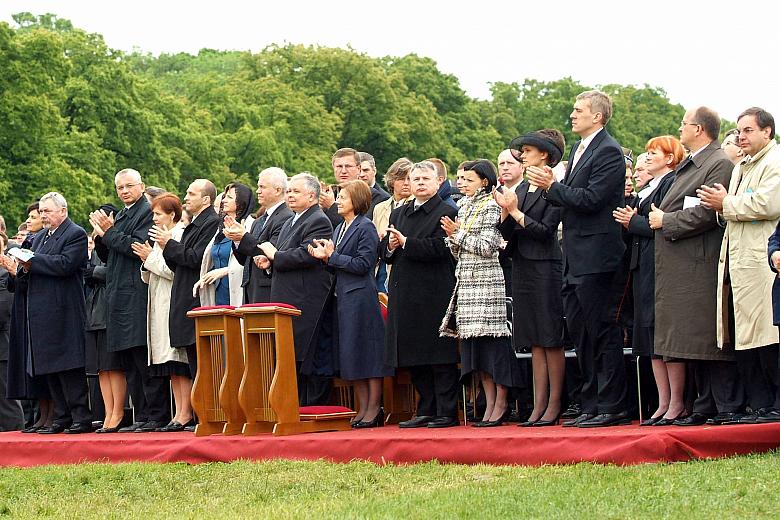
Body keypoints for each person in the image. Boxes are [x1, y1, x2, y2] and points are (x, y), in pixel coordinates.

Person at [526, 90, 630, 427]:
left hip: (598, 256)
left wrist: (551, 187)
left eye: (578, 110)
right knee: (581, 332)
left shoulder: (610, 152)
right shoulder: (580, 148)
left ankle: (612, 405)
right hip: (575, 256)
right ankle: (591, 403)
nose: (572, 115)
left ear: (597, 116)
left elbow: (592, 199)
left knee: (602, 331)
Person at [649, 106, 745, 426]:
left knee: (709, 338)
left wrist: (667, 220)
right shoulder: (694, 163)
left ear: (700, 130)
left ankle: (725, 405)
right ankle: (704, 404)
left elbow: (707, 212)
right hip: (683, 264)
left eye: (684, 124)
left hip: (699, 264)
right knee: (692, 341)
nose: (680, 129)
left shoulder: (716, 163)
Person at [699, 107, 780, 423]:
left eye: (747, 130)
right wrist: (720, 205)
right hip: (738, 263)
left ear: (767, 132)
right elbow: (734, 208)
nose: (740, 136)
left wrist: (726, 204)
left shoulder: (775, 162)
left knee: (768, 334)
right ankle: (760, 405)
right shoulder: (740, 167)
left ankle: (774, 405)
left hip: (764, 262)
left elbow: (768, 204)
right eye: (738, 130)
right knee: (746, 335)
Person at [0, 192, 91, 434]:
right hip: (39, 313)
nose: (43, 215)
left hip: (65, 310)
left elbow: (65, 264)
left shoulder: (76, 234)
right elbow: (29, 271)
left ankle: (80, 416)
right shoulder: (38, 238)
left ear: (63, 211)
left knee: (70, 367)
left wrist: (32, 262)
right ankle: (60, 417)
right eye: (41, 211)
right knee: (49, 368)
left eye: (48, 211)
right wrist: (15, 271)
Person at [90, 168, 169, 433]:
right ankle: (141, 414)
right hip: (117, 293)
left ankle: (156, 414)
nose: (124, 191)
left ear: (141, 186)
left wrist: (110, 233)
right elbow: (109, 252)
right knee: (128, 360)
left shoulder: (147, 212)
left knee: (142, 356)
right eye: (120, 188)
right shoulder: (122, 214)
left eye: (129, 186)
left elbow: (137, 248)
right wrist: (101, 236)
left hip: (137, 292)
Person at [382, 161, 460, 428]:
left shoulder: (447, 210)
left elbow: (443, 248)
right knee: (412, 353)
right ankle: (425, 408)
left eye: (425, 178)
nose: (419, 183)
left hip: (435, 290)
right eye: (415, 179)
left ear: (438, 182)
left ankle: (446, 412)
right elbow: (385, 253)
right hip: (405, 291)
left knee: (439, 354)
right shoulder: (399, 213)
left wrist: (407, 243)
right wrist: (391, 246)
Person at [496, 130, 566, 427]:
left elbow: (545, 231)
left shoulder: (555, 189)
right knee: (535, 341)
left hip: (545, 267)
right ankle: (538, 406)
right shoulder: (522, 190)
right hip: (523, 266)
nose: (522, 155)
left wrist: (515, 213)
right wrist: (504, 215)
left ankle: (554, 404)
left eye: (527, 150)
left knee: (550, 338)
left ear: (544, 155)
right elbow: (508, 234)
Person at [308, 180, 391, 427]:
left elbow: (364, 264)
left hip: (361, 297)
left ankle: (374, 408)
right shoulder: (340, 227)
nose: (338, 201)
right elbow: (339, 263)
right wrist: (325, 259)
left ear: (356, 200)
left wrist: (332, 256)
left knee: (368, 354)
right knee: (351, 354)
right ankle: (362, 407)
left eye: (342, 197)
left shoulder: (365, 227)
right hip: (343, 297)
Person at [440, 159, 515, 427]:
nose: (462, 183)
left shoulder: (492, 205)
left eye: (468, 179)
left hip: (487, 281)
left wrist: (457, 234)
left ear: (484, 181)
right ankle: (488, 402)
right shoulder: (463, 205)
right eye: (460, 179)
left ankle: (501, 402)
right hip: (466, 281)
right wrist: (452, 238)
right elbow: (458, 251)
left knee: (492, 344)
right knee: (476, 348)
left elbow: (488, 246)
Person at [613, 136, 682, 425]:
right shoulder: (647, 189)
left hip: (660, 265)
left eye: (654, 152)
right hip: (642, 267)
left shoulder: (671, 184)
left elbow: (660, 224)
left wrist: (633, 222)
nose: (648, 156)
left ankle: (676, 401)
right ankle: (662, 401)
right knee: (648, 337)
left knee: (663, 336)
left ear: (669, 158)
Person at [257, 173, 334, 405]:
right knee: (289, 354)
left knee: (307, 353)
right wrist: (269, 262)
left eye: (295, 192)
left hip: (306, 298)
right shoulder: (293, 219)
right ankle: (294, 405)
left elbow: (306, 254)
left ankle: (312, 406)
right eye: (288, 191)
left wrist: (275, 255)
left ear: (312, 195)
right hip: (286, 295)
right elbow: (284, 254)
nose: (290, 195)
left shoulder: (318, 220)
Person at [132, 193, 194, 432]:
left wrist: (150, 259)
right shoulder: (160, 237)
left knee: (179, 361)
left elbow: (174, 271)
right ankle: (179, 411)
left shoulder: (178, 235)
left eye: (158, 214)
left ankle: (186, 412)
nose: (154, 218)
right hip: (157, 300)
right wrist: (147, 260)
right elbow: (150, 274)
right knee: (170, 366)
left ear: (172, 214)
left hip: (173, 300)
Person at [156, 179, 220, 395]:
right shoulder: (194, 224)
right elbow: (178, 264)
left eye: (191, 194)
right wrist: (167, 247)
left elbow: (196, 258)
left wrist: (169, 244)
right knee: (194, 360)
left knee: (203, 360)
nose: (186, 198)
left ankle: (208, 411)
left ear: (205, 199)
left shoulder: (211, 222)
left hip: (197, 297)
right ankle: (202, 412)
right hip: (185, 292)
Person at [83, 213, 125, 433]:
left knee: (113, 366)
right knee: (101, 368)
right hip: (95, 309)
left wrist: (95, 272)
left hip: (110, 308)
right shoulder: (97, 244)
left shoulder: (115, 241)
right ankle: (108, 411)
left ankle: (118, 411)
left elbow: (117, 270)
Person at [227, 167, 293, 304]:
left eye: (262, 187)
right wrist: (237, 240)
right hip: (251, 289)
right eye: (258, 186)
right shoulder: (259, 221)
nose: (258, 191)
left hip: (268, 290)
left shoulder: (286, 217)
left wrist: (244, 236)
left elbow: (270, 253)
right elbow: (245, 260)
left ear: (278, 190)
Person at [194, 182, 255, 306]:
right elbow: (214, 258)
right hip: (218, 292)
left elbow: (250, 261)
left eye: (229, 197)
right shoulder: (220, 227)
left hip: (238, 290)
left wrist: (225, 271)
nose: (224, 200)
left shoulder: (250, 225)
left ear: (241, 202)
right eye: (225, 197)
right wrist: (204, 277)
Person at [371, 158, 413, 292]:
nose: (406, 183)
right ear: (392, 181)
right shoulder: (380, 207)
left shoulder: (416, 207)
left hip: (404, 268)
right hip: (380, 266)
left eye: (410, 179)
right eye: (401, 179)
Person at [0, 231, 24, 431]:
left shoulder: (4, 274)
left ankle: (13, 435)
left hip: (3, 346)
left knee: (6, 399)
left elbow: (4, 308)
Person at [320, 148, 362, 228]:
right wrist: (319, 208)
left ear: (358, 169)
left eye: (348, 166)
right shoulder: (330, 193)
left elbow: (356, 228)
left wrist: (331, 206)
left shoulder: (370, 196)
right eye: (339, 166)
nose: (343, 171)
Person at [357, 151, 391, 218]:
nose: (361, 175)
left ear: (374, 171)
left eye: (365, 170)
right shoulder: (346, 195)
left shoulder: (384, 199)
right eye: (358, 170)